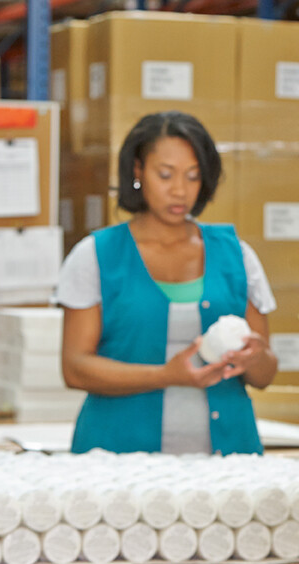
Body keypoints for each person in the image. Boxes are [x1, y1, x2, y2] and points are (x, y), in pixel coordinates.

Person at [57, 111, 278, 455]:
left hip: (228, 464)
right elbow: (75, 368)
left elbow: (264, 375)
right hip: (115, 461)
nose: (179, 190)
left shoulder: (237, 256)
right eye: (165, 174)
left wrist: (255, 358)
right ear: (137, 171)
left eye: (193, 176)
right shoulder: (96, 256)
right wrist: (166, 375)